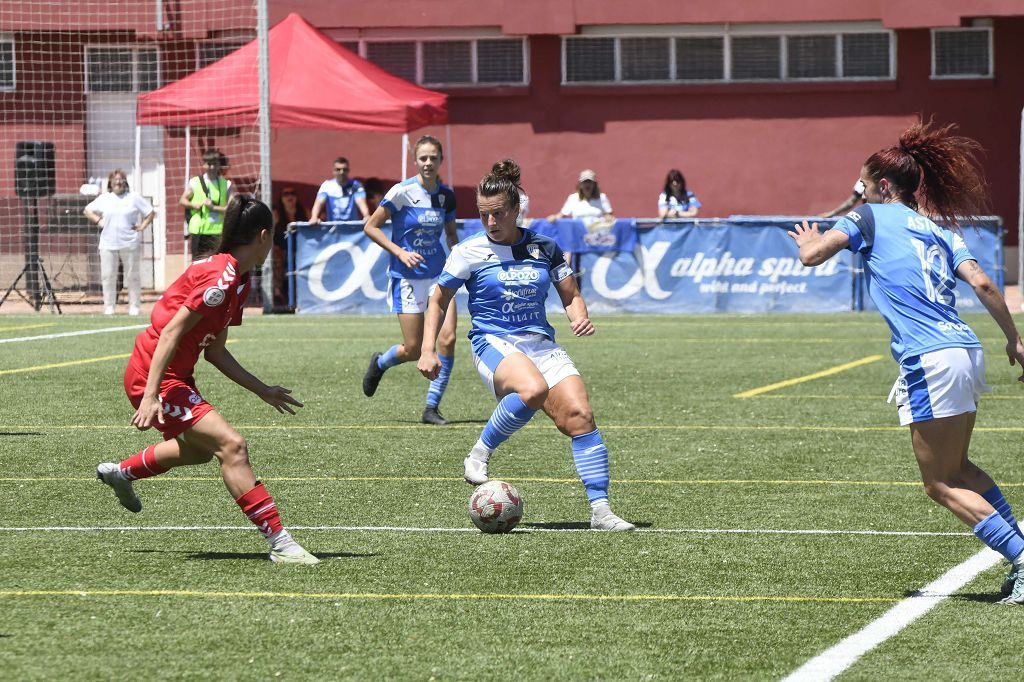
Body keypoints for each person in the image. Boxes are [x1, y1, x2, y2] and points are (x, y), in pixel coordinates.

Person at [788, 120, 1024, 604]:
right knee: (959, 468)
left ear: (883, 186)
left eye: (864, 184)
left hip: (929, 356)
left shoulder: (867, 217)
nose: (862, 192)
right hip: (965, 348)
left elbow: (813, 257)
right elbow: (980, 281)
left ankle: (1022, 558)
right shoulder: (938, 229)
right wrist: (1015, 340)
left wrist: (806, 241)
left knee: (938, 484)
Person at [95, 195, 317, 565]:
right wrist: (151, 396)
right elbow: (169, 334)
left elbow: (215, 351)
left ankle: (122, 473)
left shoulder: (240, 281)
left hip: (174, 374)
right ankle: (281, 542)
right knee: (232, 445)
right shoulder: (221, 278)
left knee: (200, 450)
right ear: (263, 235)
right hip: (156, 373)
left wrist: (262, 390)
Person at [419, 159, 634, 532]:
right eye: (484, 214)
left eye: (499, 213)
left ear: (516, 209)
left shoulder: (545, 247)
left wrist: (577, 315)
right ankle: (478, 455)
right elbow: (438, 299)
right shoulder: (468, 251)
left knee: (580, 417)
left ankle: (601, 512)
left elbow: (570, 294)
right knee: (531, 389)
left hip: (539, 344)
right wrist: (427, 350)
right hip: (493, 342)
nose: (490, 222)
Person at [361, 135, 459, 426]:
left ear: (441, 160)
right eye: (423, 158)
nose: (428, 163)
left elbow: (451, 235)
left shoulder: (446, 196)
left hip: (439, 274)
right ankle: (380, 362)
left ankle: (431, 407)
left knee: (448, 339)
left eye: (433, 158)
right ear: (415, 161)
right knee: (413, 349)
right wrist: (400, 252)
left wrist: (460, 261)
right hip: (407, 277)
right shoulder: (401, 192)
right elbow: (371, 226)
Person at [83, 169, 154, 316]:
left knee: (132, 276)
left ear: (125, 182)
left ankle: (134, 306)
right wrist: (99, 220)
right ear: (110, 183)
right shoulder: (105, 198)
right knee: (108, 276)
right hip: (108, 243)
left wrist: (142, 226)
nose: (118, 182)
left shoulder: (133, 197)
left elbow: (150, 212)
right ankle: (109, 306)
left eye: (121, 179)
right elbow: (87, 210)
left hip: (129, 242)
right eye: (115, 179)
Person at [180, 149, 232, 260]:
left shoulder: (226, 184)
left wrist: (214, 208)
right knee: (198, 263)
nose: (212, 167)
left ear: (219, 165)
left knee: (216, 263)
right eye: (209, 164)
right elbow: (183, 200)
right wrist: (194, 205)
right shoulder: (195, 182)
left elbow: (230, 208)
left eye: (215, 164)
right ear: (204, 165)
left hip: (217, 231)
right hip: (199, 231)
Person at [272, 187, 307, 311]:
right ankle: (277, 293)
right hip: (281, 249)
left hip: (300, 250)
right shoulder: (278, 214)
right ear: (281, 199)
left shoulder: (304, 213)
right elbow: (271, 234)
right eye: (286, 194)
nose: (289, 197)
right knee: (275, 255)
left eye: (292, 193)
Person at [308, 157, 369, 225]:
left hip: (352, 231)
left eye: (344, 169)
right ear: (333, 171)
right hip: (333, 230)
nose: (341, 172)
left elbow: (361, 202)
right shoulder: (327, 186)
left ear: (348, 171)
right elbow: (319, 202)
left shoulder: (356, 185)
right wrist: (314, 217)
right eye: (338, 169)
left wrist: (366, 216)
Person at [546, 169, 614, 227]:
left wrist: (609, 219)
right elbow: (563, 214)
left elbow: (608, 215)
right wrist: (554, 218)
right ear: (580, 185)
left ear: (594, 184)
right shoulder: (573, 198)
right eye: (585, 182)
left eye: (590, 182)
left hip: (596, 236)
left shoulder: (602, 197)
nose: (587, 185)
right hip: (577, 236)